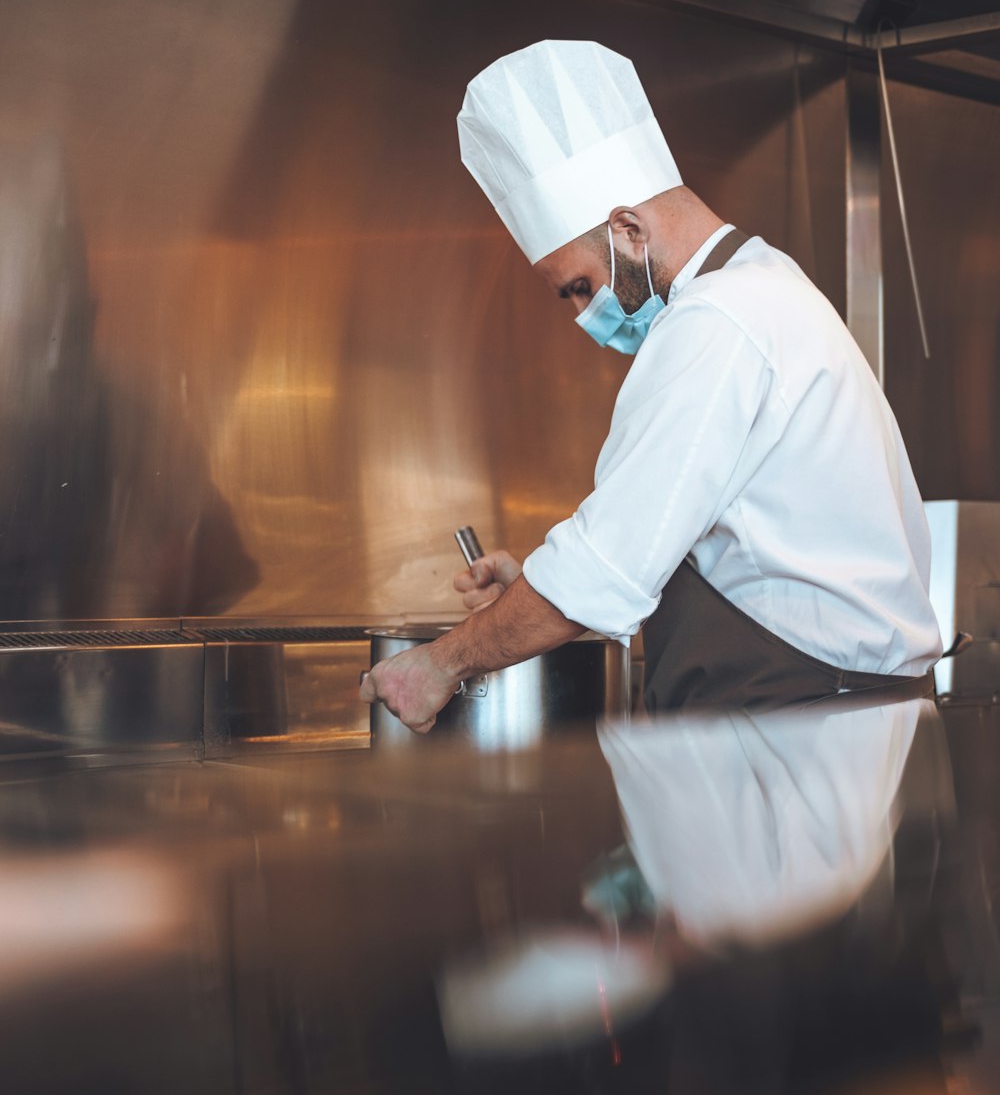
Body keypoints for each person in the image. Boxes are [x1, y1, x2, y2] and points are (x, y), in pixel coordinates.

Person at [360, 39, 942, 732]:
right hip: (842, 720)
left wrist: (436, 665)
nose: (582, 318)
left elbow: (607, 563)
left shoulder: (714, 322)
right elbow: (728, 556)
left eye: (579, 287)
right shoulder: (767, 288)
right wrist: (534, 598)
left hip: (804, 731)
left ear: (629, 228)